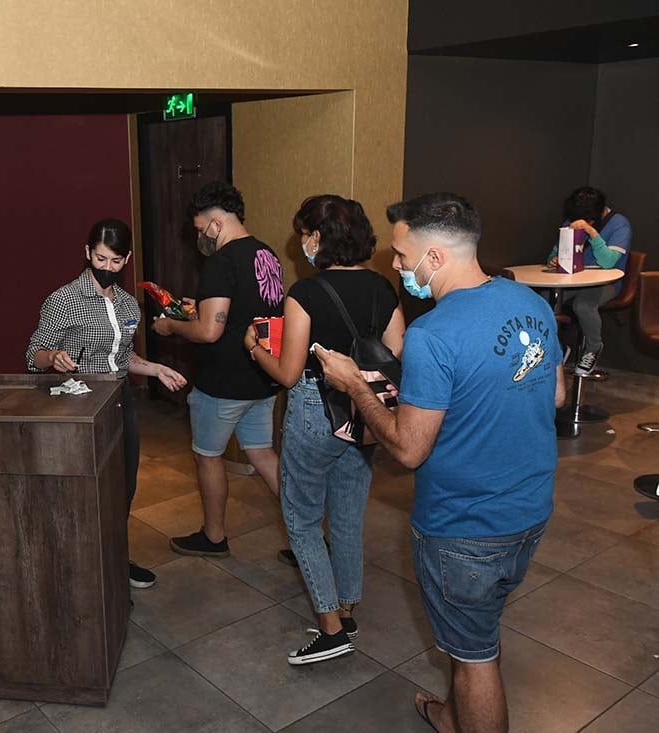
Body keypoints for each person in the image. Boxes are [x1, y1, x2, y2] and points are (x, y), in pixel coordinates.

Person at [316, 193, 565, 733]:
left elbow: (408, 450)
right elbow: (555, 396)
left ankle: (465, 715)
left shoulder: (432, 335)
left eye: (403, 255)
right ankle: (452, 716)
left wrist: (357, 387)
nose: (397, 265)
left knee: (477, 658)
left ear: (435, 257)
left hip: (464, 530)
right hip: (529, 511)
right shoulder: (532, 302)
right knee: (470, 634)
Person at [245, 195, 404, 665]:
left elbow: (289, 373)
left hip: (316, 411)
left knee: (302, 519)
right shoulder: (384, 288)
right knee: (349, 516)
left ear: (318, 239)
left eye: (303, 235)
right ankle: (348, 609)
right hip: (363, 411)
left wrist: (254, 347)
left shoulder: (306, 294)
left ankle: (331, 627)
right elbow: (396, 356)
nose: (301, 244)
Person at [26, 218, 187, 589]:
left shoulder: (130, 305)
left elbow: (124, 358)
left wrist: (156, 369)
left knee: (123, 485)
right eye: (100, 259)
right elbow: (33, 354)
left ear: (127, 259)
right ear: (87, 253)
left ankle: (115, 559)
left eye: (116, 262)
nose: (107, 269)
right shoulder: (63, 300)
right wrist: (55, 358)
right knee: (89, 490)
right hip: (79, 405)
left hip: (120, 400)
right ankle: (86, 568)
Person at [151, 181, 283, 557]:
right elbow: (245, 310)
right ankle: (307, 531)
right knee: (262, 453)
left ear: (214, 223)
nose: (199, 236)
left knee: (207, 455)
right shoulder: (266, 254)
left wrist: (171, 325)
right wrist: (203, 308)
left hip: (223, 381)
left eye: (198, 228)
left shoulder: (221, 261)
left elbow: (210, 331)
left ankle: (213, 537)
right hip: (262, 374)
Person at [546, 186, 632, 376]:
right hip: (574, 278)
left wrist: (592, 232)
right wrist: (554, 259)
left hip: (605, 282)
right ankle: (558, 348)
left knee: (584, 306)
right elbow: (554, 253)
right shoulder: (573, 220)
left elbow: (608, 262)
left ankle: (593, 348)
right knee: (541, 301)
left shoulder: (619, 224)